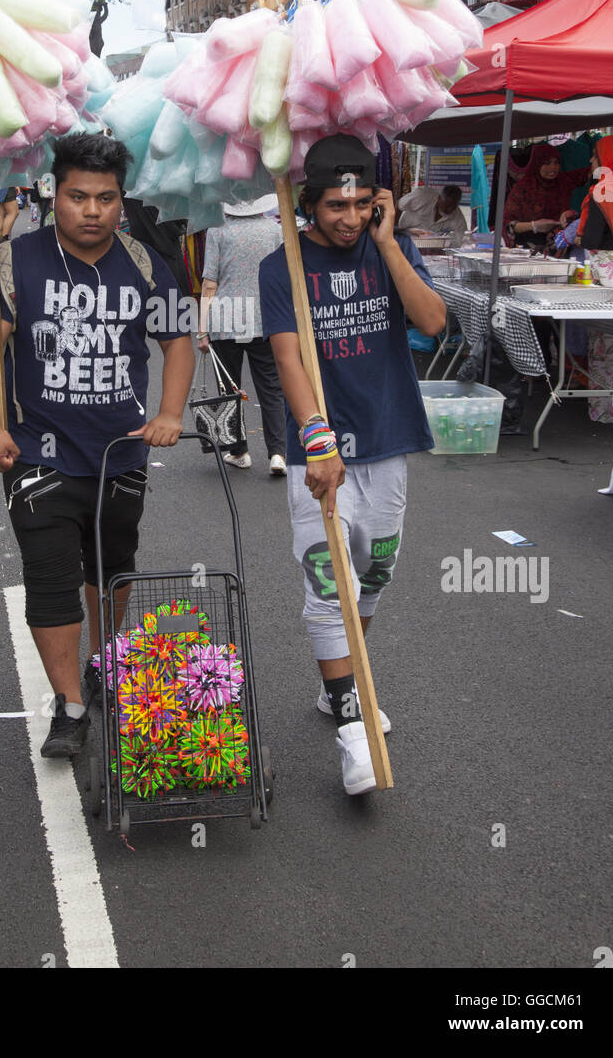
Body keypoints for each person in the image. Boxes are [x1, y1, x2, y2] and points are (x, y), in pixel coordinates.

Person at [0, 133, 195, 760]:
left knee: (111, 570)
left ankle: (103, 659)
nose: (91, 211)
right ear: (54, 193)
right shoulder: (13, 260)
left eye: (105, 198)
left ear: (121, 201)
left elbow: (178, 341)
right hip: (36, 454)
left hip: (120, 452)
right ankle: (69, 706)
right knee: (50, 577)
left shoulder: (148, 263)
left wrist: (170, 412)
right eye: (77, 197)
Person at [258, 133, 445, 797]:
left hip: (390, 434)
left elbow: (434, 320)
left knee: (374, 572)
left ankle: (341, 679)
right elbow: (288, 359)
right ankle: (351, 730)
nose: (349, 217)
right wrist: (316, 438)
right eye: (336, 204)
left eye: (363, 204)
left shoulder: (386, 244)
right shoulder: (280, 264)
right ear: (308, 202)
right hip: (325, 450)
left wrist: (390, 243)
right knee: (326, 578)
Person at [198, 196, 287, 476]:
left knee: (229, 387)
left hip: (226, 318)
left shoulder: (217, 230)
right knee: (271, 388)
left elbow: (210, 282)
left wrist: (202, 329)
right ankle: (278, 454)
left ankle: (239, 452)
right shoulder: (275, 230)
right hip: (265, 317)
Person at [503, 143, 587, 248]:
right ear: (537, 164)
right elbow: (507, 224)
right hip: (528, 248)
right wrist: (534, 226)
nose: (553, 168)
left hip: (559, 247)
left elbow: (591, 172)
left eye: (556, 163)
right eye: (547, 163)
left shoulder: (563, 181)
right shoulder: (523, 188)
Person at [396, 182, 468, 246]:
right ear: (439, 198)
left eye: (453, 206)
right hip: (405, 234)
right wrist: (395, 231)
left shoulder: (457, 216)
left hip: (429, 245)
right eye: (446, 205)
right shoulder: (422, 196)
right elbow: (398, 205)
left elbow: (461, 239)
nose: (448, 209)